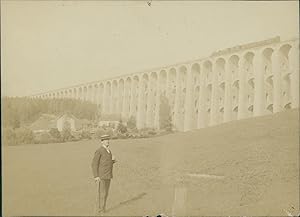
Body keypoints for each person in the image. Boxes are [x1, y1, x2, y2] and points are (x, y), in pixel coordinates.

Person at [91, 135, 116, 214]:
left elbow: (107, 163)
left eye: (108, 140)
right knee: (102, 193)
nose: (107, 141)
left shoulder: (109, 150)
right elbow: (94, 164)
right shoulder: (99, 150)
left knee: (106, 193)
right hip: (101, 176)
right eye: (105, 140)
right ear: (102, 142)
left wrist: (113, 161)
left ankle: (103, 209)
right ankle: (100, 210)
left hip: (108, 175)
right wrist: (96, 176)